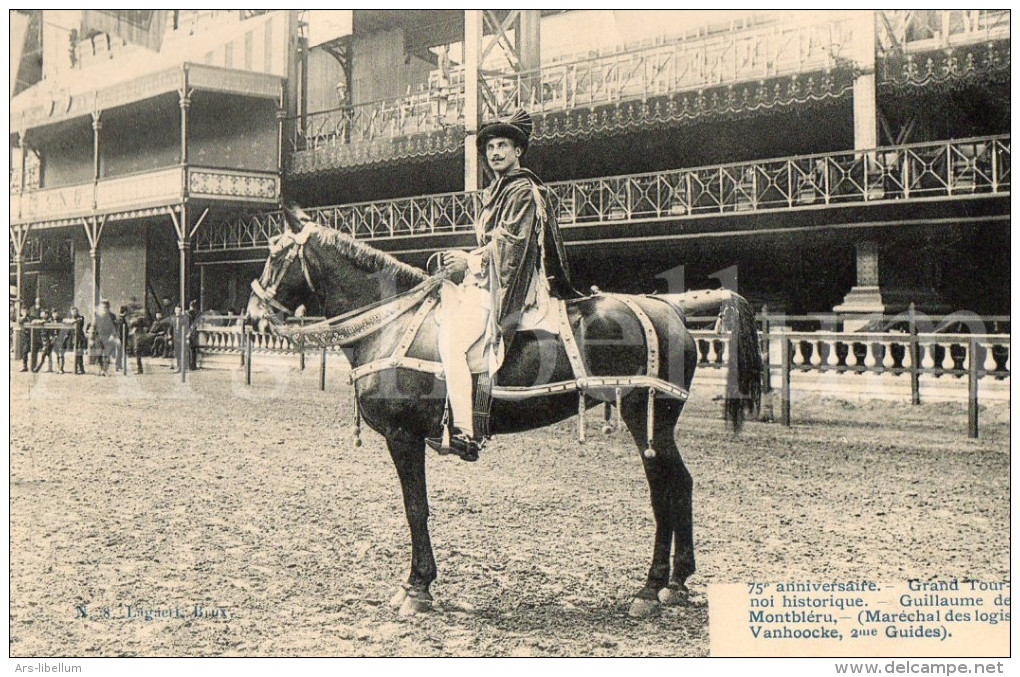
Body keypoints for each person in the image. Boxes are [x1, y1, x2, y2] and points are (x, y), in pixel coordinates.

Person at [426, 109, 575, 461]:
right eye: (490, 146)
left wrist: (469, 260)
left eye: (502, 145)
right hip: (489, 279)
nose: (494, 152)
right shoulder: (497, 191)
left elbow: (511, 245)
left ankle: (464, 431)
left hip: (512, 285)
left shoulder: (522, 189)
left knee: (450, 343)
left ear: (517, 151)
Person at [93, 299, 120, 376]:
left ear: (108, 307)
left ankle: (105, 370)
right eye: (102, 307)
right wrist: (91, 338)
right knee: (98, 354)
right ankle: (100, 369)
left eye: (105, 307)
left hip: (108, 337)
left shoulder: (112, 316)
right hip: (98, 337)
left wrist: (113, 336)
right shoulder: (97, 316)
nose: (104, 308)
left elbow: (115, 327)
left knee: (107, 354)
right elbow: (93, 326)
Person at [67, 307, 87, 375]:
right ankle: (75, 368)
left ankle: (81, 368)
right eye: (72, 312)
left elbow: (79, 322)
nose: (73, 313)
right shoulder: (70, 318)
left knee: (80, 353)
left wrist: (73, 321)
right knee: (75, 352)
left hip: (80, 337)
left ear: (77, 312)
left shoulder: (81, 317)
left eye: (75, 312)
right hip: (73, 337)